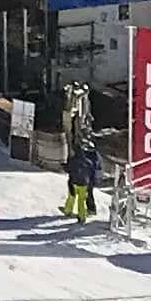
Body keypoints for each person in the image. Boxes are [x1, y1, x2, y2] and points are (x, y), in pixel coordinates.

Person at [63, 89, 99, 221]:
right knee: (82, 199)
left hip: (75, 182)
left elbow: (68, 168)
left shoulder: (74, 160)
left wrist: (65, 167)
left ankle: (68, 210)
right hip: (84, 182)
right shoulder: (88, 160)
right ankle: (82, 215)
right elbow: (93, 168)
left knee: (72, 196)